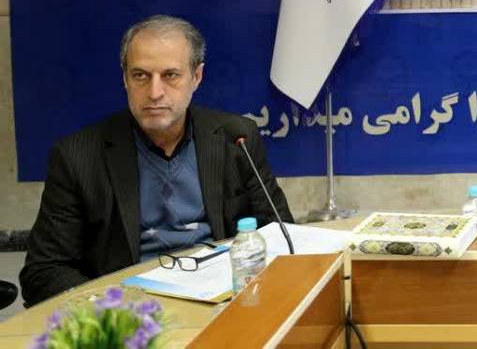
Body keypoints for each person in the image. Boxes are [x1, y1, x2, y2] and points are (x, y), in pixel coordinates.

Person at [20, 15, 292, 306]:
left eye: (170, 75)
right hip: (131, 313)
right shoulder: (78, 156)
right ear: (125, 79)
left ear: (197, 77)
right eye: (140, 76)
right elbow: (44, 271)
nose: (154, 92)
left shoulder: (236, 138)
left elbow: (283, 236)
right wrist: (112, 310)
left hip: (226, 303)